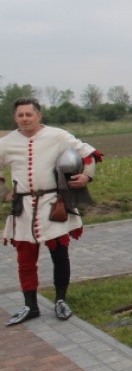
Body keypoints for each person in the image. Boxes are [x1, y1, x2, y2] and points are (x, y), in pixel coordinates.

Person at [0, 97, 103, 326]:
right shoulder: (6, 143)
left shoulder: (57, 136)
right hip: (23, 208)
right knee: (25, 260)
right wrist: (4, 192)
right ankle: (31, 305)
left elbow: (88, 153)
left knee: (60, 255)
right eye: (20, 115)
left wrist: (87, 175)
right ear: (15, 118)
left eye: (29, 114)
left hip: (52, 204)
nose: (25, 119)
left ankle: (60, 300)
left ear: (39, 115)